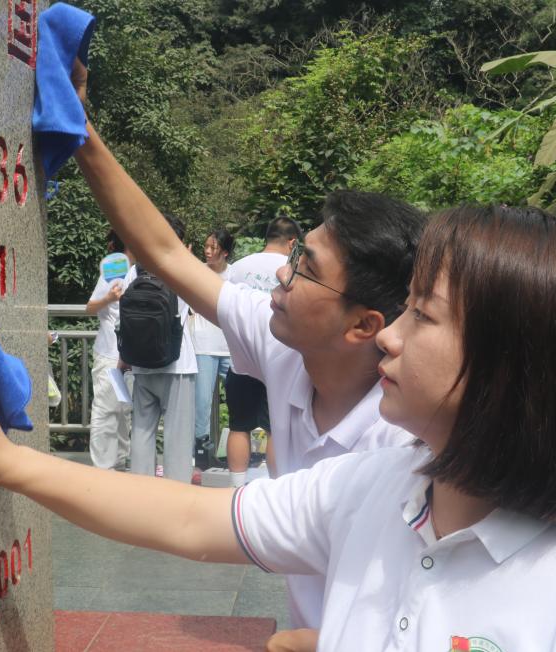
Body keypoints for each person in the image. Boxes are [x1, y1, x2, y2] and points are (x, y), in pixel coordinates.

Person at [0, 205, 556, 651]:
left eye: (423, 316)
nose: (390, 337)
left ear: (507, 367)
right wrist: (7, 463)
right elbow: (190, 518)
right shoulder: (377, 487)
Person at [68, 50, 420, 632]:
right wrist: (79, 129)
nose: (281, 271)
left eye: (306, 269)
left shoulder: (403, 441)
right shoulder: (290, 345)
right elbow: (166, 253)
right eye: (296, 255)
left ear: (363, 326)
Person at [224, 216, 300, 487]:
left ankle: (236, 488)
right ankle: (276, 489)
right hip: (280, 361)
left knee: (238, 425)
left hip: (241, 359)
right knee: (276, 430)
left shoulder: (238, 267)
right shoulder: (292, 268)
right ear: (292, 242)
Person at [124, 212, 198, 483]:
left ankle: (140, 490)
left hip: (141, 362)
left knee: (142, 432)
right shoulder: (182, 269)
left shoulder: (136, 270)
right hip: (178, 363)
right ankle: (176, 492)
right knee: (177, 436)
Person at [84, 231, 131, 471]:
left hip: (132, 356)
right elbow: (90, 307)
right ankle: (103, 467)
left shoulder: (139, 270)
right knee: (106, 409)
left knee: (123, 410)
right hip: (110, 354)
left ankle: (119, 461)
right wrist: (110, 299)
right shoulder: (114, 270)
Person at [192, 229, 235, 468]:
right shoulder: (197, 271)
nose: (207, 251)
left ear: (225, 252)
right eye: (206, 246)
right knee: (202, 404)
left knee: (238, 400)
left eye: (213, 247)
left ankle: (237, 450)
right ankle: (201, 455)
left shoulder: (235, 275)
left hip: (231, 347)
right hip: (203, 344)